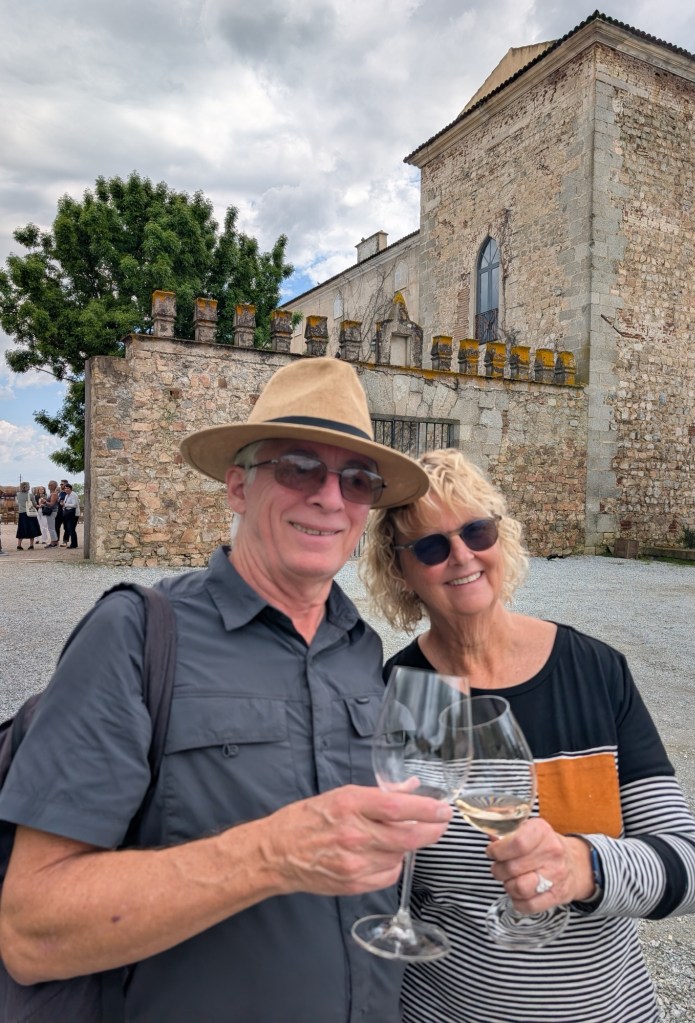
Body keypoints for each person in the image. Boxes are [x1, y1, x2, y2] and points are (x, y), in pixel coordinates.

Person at [0, 358, 450, 1023]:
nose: (331, 498)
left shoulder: (360, 649)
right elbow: (32, 931)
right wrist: (270, 853)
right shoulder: (134, 635)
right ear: (238, 486)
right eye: (299, 467)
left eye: (357, 480)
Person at [362, 448, 695, 1023]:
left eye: (477, 531)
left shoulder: (591, 671)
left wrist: (584, 866)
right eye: (430, 547)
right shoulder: (406, 693)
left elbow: (692, 871)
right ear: (401, 571)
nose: (462, 555)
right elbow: (387, 884)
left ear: (500, 538)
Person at [14, 482, 41, 550]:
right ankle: (31, 545)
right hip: (30, 513)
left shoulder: (17, 495)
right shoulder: (30, 495)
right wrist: (39, 505)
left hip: (21, 513)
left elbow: (17, 503)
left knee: (21, 529)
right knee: (32, 528)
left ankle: (19, 545)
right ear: (28, 487)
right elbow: (34, 504)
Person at [60, 483, 81, 549]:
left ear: (71, 489)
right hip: (68, 514)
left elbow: (75, 505)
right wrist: (63, 505)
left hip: (73, 514)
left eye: (68, 488)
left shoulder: (73, 495)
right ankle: (73, 543)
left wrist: (65, 505)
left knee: (71, 529)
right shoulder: (67, 495)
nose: (66, 489)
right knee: (69, 529)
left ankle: (74, 544)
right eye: (65, 488)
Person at [40, 480, 60, 547]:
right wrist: (44, 504)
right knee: (51, 528)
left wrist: (45, 502)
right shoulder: (52, 493)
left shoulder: (54, 494)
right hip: (52, 512)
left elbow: (51, 504)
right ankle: (55, 541)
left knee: (51, 528)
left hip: (51, 512)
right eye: (48, 485)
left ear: (54, 486)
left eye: (50, 485)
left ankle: (53, 543)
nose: (48, 486)